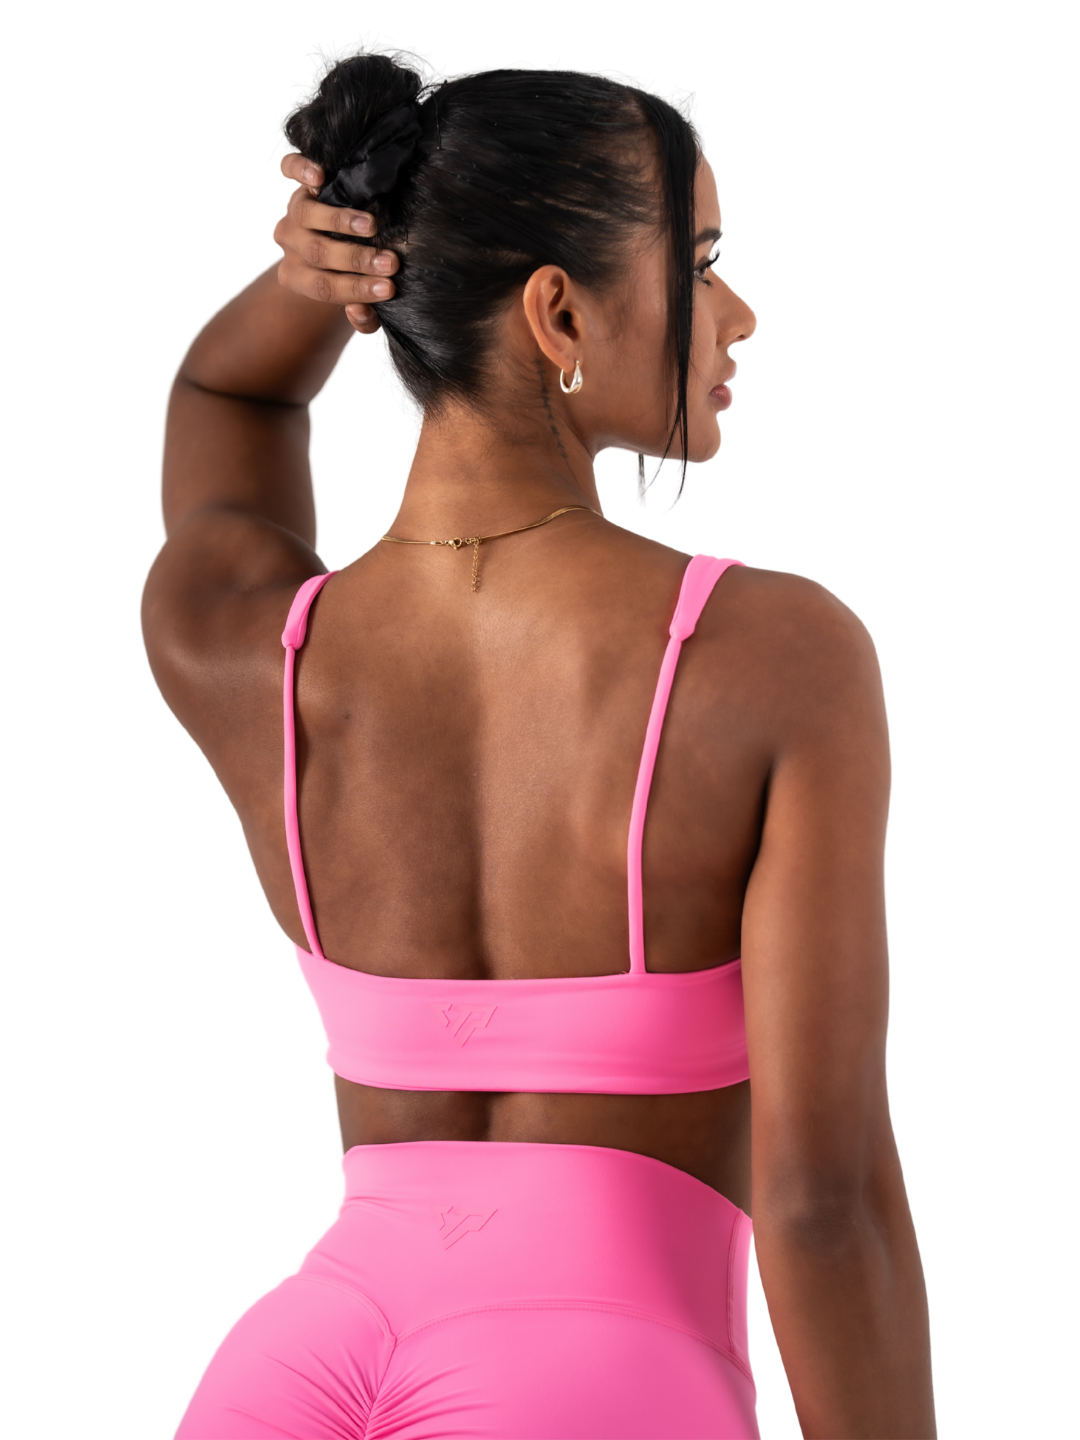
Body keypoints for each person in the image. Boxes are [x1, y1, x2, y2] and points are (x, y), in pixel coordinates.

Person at [144, 51, 935, 1440]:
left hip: (292, 1370)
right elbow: (825, 1203)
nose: (737, 314)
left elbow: (231, 403)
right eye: (702, 262)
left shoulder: (251, 644)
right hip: (597, 1385)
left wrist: (315, 280)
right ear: (558, 311)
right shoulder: (773, 658)